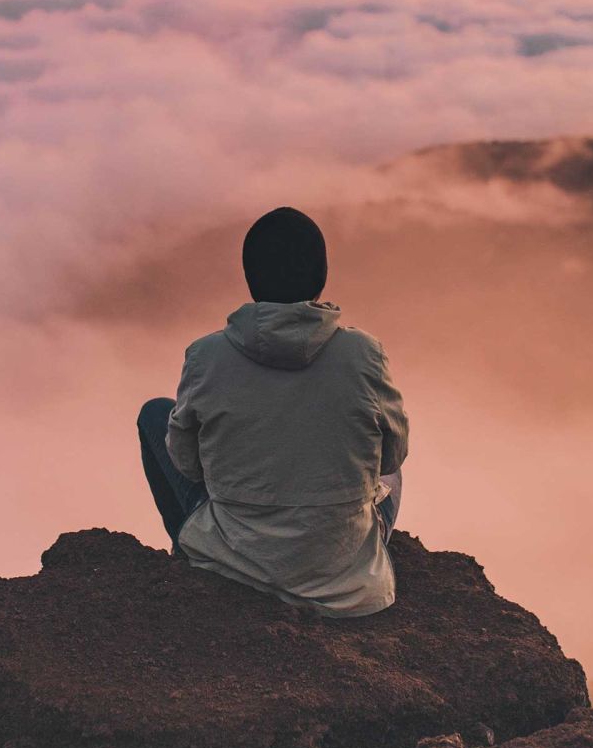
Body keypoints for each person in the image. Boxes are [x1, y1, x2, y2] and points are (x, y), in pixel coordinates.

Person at [136, 206, 408, 616]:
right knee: (392, 474)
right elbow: (391, 456)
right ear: (321, 279)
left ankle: (190, 554)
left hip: (234, 557)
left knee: (155, 414)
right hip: (344, 576)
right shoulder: (364, 354)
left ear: (250, 279)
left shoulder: (206, 356)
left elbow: (188, 466)